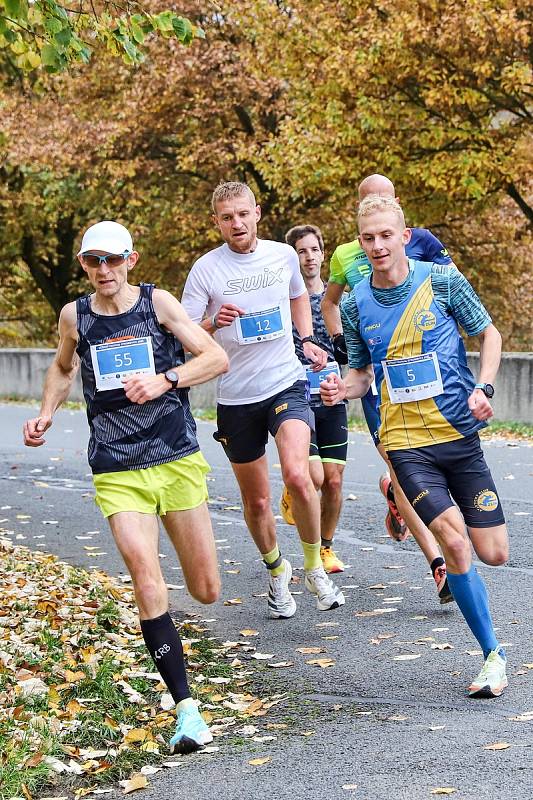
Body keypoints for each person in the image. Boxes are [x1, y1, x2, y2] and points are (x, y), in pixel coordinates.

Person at [23, 220, 229, 753]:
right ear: (85, 266)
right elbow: (63, 368)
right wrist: (46, 412)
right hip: (116, 466)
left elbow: (214, 357)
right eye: (94, 262)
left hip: (175, 458)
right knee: (144, 573)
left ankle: (174, 632)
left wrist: (166, 379)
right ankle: (187, 710)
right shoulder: (77, 315)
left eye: (113, 260)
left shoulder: (158, 305)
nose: (104, 271)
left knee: (206, 589)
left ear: (131, 260)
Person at [321, 195, 509, 698]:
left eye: (386, 234)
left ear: (404, 236)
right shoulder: (358, 299)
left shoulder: (441, 280)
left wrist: (483, 388)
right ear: (360, 244)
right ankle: (492, 655)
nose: (378, 245)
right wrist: (344, 387)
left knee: (494, 553)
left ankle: (401, 499)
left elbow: (489, 333)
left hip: (458, 436)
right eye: (368, 237)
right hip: (405, 443)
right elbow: (362, 375)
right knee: (453, 540)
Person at [181, 181, 345, 617]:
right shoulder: (205, 271)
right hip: (236, 396)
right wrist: (214, 321)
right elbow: (184, 335)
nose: (236, 223)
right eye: (226, 217)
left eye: (242, 214)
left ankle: (314, 568)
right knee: (256, 502)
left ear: (257, 212)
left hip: (285, 381)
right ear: (216, 222)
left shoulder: (282, 255)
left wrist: (306, 339)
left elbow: (296, 295)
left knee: (297, 474)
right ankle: (277, 570)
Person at [322, 173, 453, 604]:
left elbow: (454, 294)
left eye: (383, 199)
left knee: (439, 471)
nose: (377, 243)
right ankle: (438, 564)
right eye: (367, 201)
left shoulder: (424, 242)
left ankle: (395, 495)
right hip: (380, 387)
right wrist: (346, 345)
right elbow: (330, 302)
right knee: (405, 470)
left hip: (430, 381)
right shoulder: (348, 253)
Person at [280, 224, 347, 574]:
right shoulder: (284, 300)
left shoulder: (338, 301)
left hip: (333, 398)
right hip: (297, 400)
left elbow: (353, 351)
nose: (308, 257)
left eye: (313, 250)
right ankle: (295, 484)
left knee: (334, 480)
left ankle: (325, 548)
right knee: (316, 478)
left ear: (323, 253)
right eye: (301, 251)